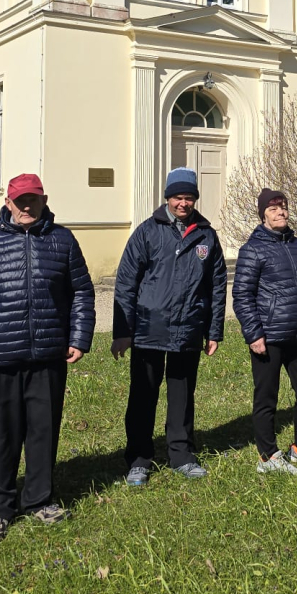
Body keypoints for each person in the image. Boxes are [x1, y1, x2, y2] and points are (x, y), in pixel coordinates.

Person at [0, 173, 95, 541]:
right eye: (19, 200)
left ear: (44, 200)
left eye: (33, 199)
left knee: (43, 431)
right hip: (0, 356)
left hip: (47, 355)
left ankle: (39, 498)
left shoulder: (62, 241)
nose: (26, 206)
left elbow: (81, 292)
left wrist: (79, 336)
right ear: (8, 203)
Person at [111, 167, 227, 486]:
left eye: (189, 197)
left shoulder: (207, 235)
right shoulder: (148, 232)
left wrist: (214, 331)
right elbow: (125, 282)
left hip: (188, 330)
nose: (183, 203)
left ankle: (182, 455)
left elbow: (217, 286)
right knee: (143, 396)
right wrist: (123, 331)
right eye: (178, 197)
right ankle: (138, 458)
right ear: (167, 198)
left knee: (182, 396)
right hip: (150, 329)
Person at [232, 188, 297, 474]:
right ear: (263, 214)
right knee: (267, 398)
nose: (280, 212)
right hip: (268, 337)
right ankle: (267, 457)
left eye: (283, 207)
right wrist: (254, 333)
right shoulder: (252, 249)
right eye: (273, 208)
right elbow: (241, 295)